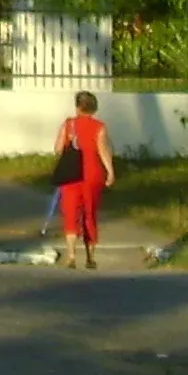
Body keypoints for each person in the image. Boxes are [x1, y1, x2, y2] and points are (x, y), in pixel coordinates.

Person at [52, 89, 117, 268]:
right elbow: (103, 151)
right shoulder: (99, 127)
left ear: (78, 107)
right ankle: (90, 257)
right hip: (92, 175)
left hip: (71, 175)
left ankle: (72, 256)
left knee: (71, 215)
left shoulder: (68, 124)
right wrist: (110, 171)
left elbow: (57, 149)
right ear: (93, 108)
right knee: (90, 215)